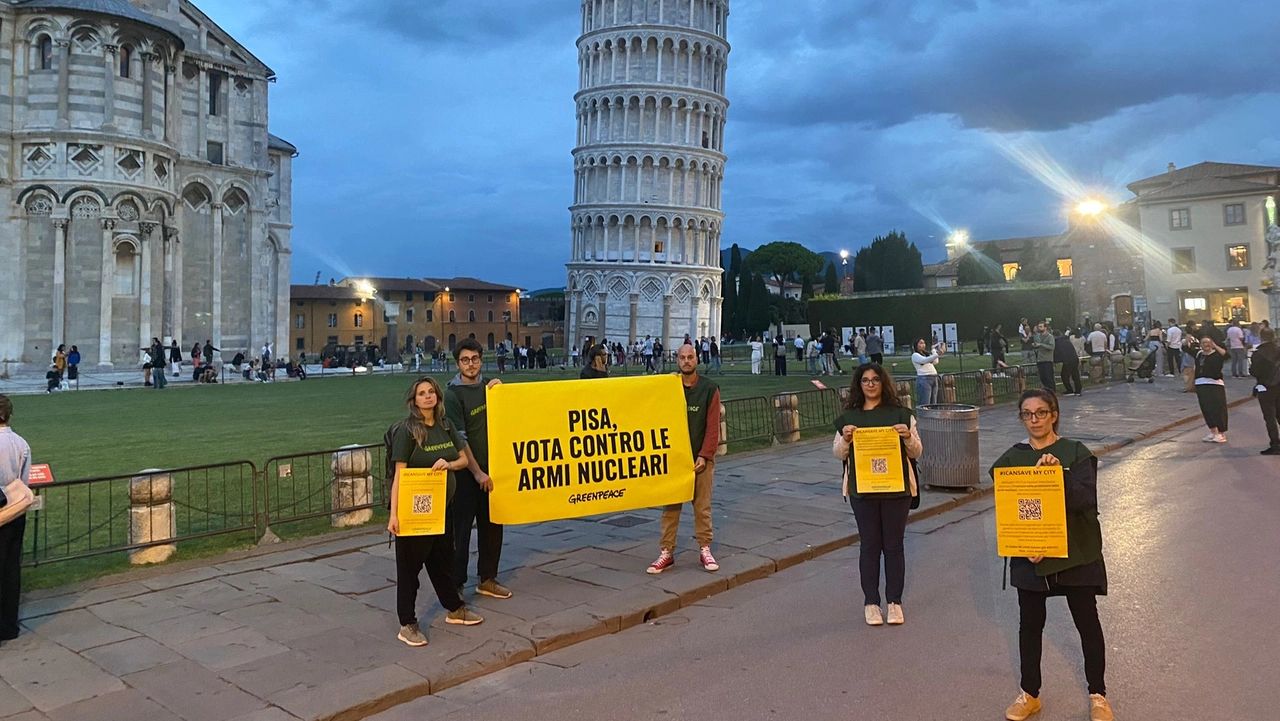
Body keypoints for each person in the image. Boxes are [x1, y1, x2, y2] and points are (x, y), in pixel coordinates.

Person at [992, 389, 1114, 721]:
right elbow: (1010, 510)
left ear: (1054, 414)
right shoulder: (1010, 459)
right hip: (1031, 557)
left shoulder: (1074, 452)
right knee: (1029, 626)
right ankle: (1030, 694)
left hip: (1076, 553)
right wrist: (1023, 544)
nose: (1034, 420)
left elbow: (1086, 501)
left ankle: (1098, 695)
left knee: (1087, 624)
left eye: (1041, 413)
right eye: (1027, 414)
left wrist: (1059, 474)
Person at [387, 376, 484, 647]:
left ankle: (454, 608)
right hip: (414, 511)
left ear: (437, 397)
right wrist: (394, 515)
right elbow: (399, 476)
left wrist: (448, 464)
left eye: (431, 392)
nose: (427, 396)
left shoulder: (445, 425)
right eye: (422, 393)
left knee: (443, 564)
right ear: (414, 400)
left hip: (442, 509)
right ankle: (407, 623)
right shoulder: (408, 431)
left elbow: (463, 458)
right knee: (409, 570)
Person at [831, 363, 922, 627]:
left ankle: (894, 601)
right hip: (863, 490)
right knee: (870, 546)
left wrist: (906, 437)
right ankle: (871, 602)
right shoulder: (850, 418)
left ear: (884, 383)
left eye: (875, 380)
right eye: (865, 381)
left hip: (897, 489)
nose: (870, 384)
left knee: (894, 546)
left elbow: (917, 452)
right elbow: (838, 454)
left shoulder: (902, 415)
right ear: (858, 386)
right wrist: (846, 440)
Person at [446, 340, 512, 600]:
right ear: (457, 363)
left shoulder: (489, 389)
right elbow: (460, 439)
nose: (471, 364)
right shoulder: (453, 394)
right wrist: (476, 473)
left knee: (493, 525)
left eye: (475, 358)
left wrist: (501, 393)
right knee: (460, 531)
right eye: (465, 360)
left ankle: (488, 578)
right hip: (466, 474)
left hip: (493, 469)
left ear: (481, 360)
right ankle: (456, 584)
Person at [648, 344, 721, 574]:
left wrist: (705, 455)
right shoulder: (671, 387)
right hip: (675, 460)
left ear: (697, 360)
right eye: (682, 357)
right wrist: (666, 383)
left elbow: (712, 426)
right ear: (677, 360)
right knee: (670, 509)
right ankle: (666, 552)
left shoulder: (709, 388)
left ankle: (705, 548)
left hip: (700, 459)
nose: (686, 361)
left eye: (690, 357)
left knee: (702, 507)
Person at [0, 395, 34, 642]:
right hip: (15, 512)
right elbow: (24, 480)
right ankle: (9, 626)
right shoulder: (20, 443)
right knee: (11, 569)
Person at [1249, 328, 1280, 455]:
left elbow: (1254, 371)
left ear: (1261, 337)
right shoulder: (1279, 350)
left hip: (1265, 387)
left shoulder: (1258, 353)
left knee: (1269, 417)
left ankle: (1275, 444)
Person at [1194, 334, 1230, 443]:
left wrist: (1215, 345)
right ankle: (1213, 431)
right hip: (1201, 383)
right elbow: (1185, 348)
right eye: (1203, 342)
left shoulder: (1216, 355)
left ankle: (1221, 433)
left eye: (1208, 342)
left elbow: (1226, 355)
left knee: (1218, 408)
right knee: (1206, 408)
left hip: (1215, 384)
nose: (1206, 344)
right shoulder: (1199, 354)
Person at [911, 338, 942, 406]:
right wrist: (938, 354)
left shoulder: (926, 354)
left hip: (934, 378)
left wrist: (933, 350)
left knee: (933, 401)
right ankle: (924, 415)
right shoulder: (915, 355)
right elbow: (924, 360)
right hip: (924, 379)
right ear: (916, 345)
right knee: (925, 401)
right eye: (921, 343)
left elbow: (935, 361)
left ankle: (933, 415)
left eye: (924, 343)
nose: (923, 345)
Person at [1054, 329, 1082, 396]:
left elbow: (1058, 352)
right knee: (1075, 375)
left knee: (1064, 375)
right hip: (1074, 358)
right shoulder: (1066, 340)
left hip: (1067, 360)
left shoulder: (1057, 342)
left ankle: (1069, 390)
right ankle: (1078, 390)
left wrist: (1055, 360)